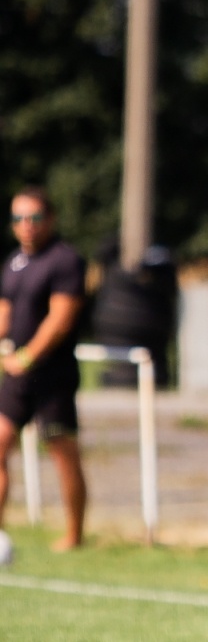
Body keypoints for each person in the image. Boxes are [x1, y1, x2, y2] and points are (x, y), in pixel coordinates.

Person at [0, 187, 88, 555]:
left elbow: (60, 320)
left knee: (61, 452)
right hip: (16, 377)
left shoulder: (65, 260)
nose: (27, 226)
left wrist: (28, 357)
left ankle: (74, 535)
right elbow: (4, 311)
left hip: (51, 376)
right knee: (0, 442)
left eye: (34, 218)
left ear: (49, 220)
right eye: (19, 218)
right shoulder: (13, 262)